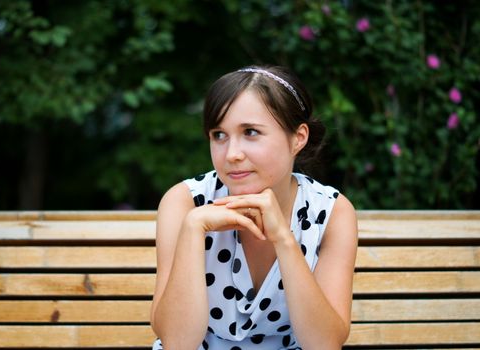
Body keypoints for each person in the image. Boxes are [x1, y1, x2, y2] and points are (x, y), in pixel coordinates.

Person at [150, 65, 358, 350]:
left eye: (250, 132)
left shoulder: (332, 212)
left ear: (298, 138)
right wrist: (193, 230)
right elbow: (177, 343)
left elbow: (324, 344)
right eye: (219, 135)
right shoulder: (185, 202)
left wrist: (284, 239)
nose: (232, 154)